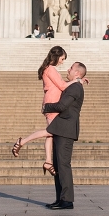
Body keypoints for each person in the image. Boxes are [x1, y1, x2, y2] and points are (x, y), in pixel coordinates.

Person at [11, 47, 87, 176]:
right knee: (51, 131)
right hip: (52, 102)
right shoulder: (50, 69)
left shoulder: (50, 69)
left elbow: (62, 84)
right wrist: (77, 80)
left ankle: (47, 161)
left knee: (51, 133)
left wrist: (77, 80)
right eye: (62, 59)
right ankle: (22, 141)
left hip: (52, 100)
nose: (62, 62)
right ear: (56, 56)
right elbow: (63, 86)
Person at [42, 61, 86, 210]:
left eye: (71, 68)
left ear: (77, 73)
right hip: (60, 128)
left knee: (63, 164)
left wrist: (46, 107)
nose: (68, 69)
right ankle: (60, 198)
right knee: (57, 164)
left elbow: (61, 106)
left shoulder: (75, 88)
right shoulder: (73, 84)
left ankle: (67, 200)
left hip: (66, 130)